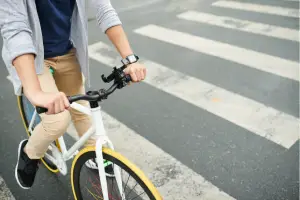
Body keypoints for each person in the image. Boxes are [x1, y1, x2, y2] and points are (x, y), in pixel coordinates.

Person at [0, 0, 146, 190]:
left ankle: (93, 153)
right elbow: (16, 30)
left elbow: (103, 9)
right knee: (57, 122)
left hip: (66, 52)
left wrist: (130, 60)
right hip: (35, 59)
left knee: (82, 110)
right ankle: (30, 152)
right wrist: (35, 92)